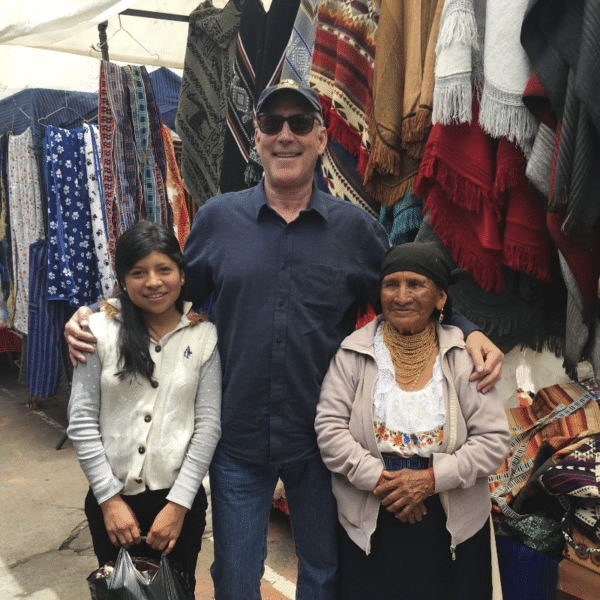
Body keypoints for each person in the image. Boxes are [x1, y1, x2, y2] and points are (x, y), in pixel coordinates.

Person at [65, 80, 504, 599]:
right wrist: (96, 312)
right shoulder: (219, 221)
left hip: (322, 440)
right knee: (235, 574)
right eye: (272, 125)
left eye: (300, 124)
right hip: (237, 438)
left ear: (322, 139)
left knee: (323, 570)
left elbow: (407, 300)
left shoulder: (355, 230)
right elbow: (166, 294)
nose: (286, 135)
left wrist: (470, 332)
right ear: (257, 139)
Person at [315, 242, 511, 600]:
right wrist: (381, 480)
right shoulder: (353, 354)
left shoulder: (462, 357)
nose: (401, 296)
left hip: (451, 519)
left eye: (416, 284)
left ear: (440, 299)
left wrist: (430, 479)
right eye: (391, 285)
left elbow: (493, 440)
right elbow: (329, 431)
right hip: (372, 513)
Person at [67, 221, 221, 595]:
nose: (153, 282)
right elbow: (82, 422)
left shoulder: (203, 337)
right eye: (138, 272)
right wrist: (108, 500)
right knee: (120, 591)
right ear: (122, 278)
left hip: (176, 503)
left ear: (182, 275)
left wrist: (179, 505)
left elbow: (208, 427)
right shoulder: (98, 331)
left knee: (175, 590)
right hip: (113, 503)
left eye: (164, 269)